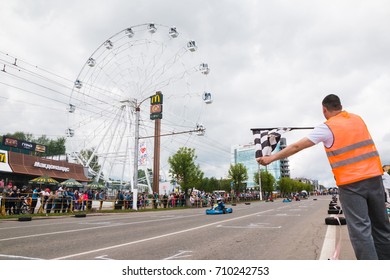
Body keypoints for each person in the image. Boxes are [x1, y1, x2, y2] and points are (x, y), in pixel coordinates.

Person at [257, 94, 390, 260]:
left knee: (360, 230)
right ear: (340, 106)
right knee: (381, 227)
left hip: (351, 185)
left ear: (324, 109)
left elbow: (297, 146)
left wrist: (270, 158)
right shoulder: (358, 119)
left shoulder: (327, 127)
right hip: (375, 179)